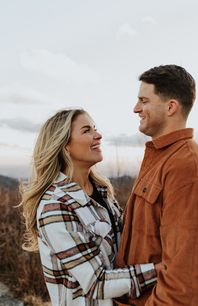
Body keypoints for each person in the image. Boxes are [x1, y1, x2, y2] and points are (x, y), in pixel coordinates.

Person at [20, 108, 157, 306]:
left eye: (95, 129)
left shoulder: (101, 191)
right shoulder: (55, 206)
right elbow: (97, 282)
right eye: (87, 131)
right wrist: (161, 271)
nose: (98, 135)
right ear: (65, 145)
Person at [115, 65, 198, 306]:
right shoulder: (163, 159)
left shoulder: (188, 170)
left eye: (143, 100)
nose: (136, 108)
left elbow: (186, 285)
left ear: (171, 107)